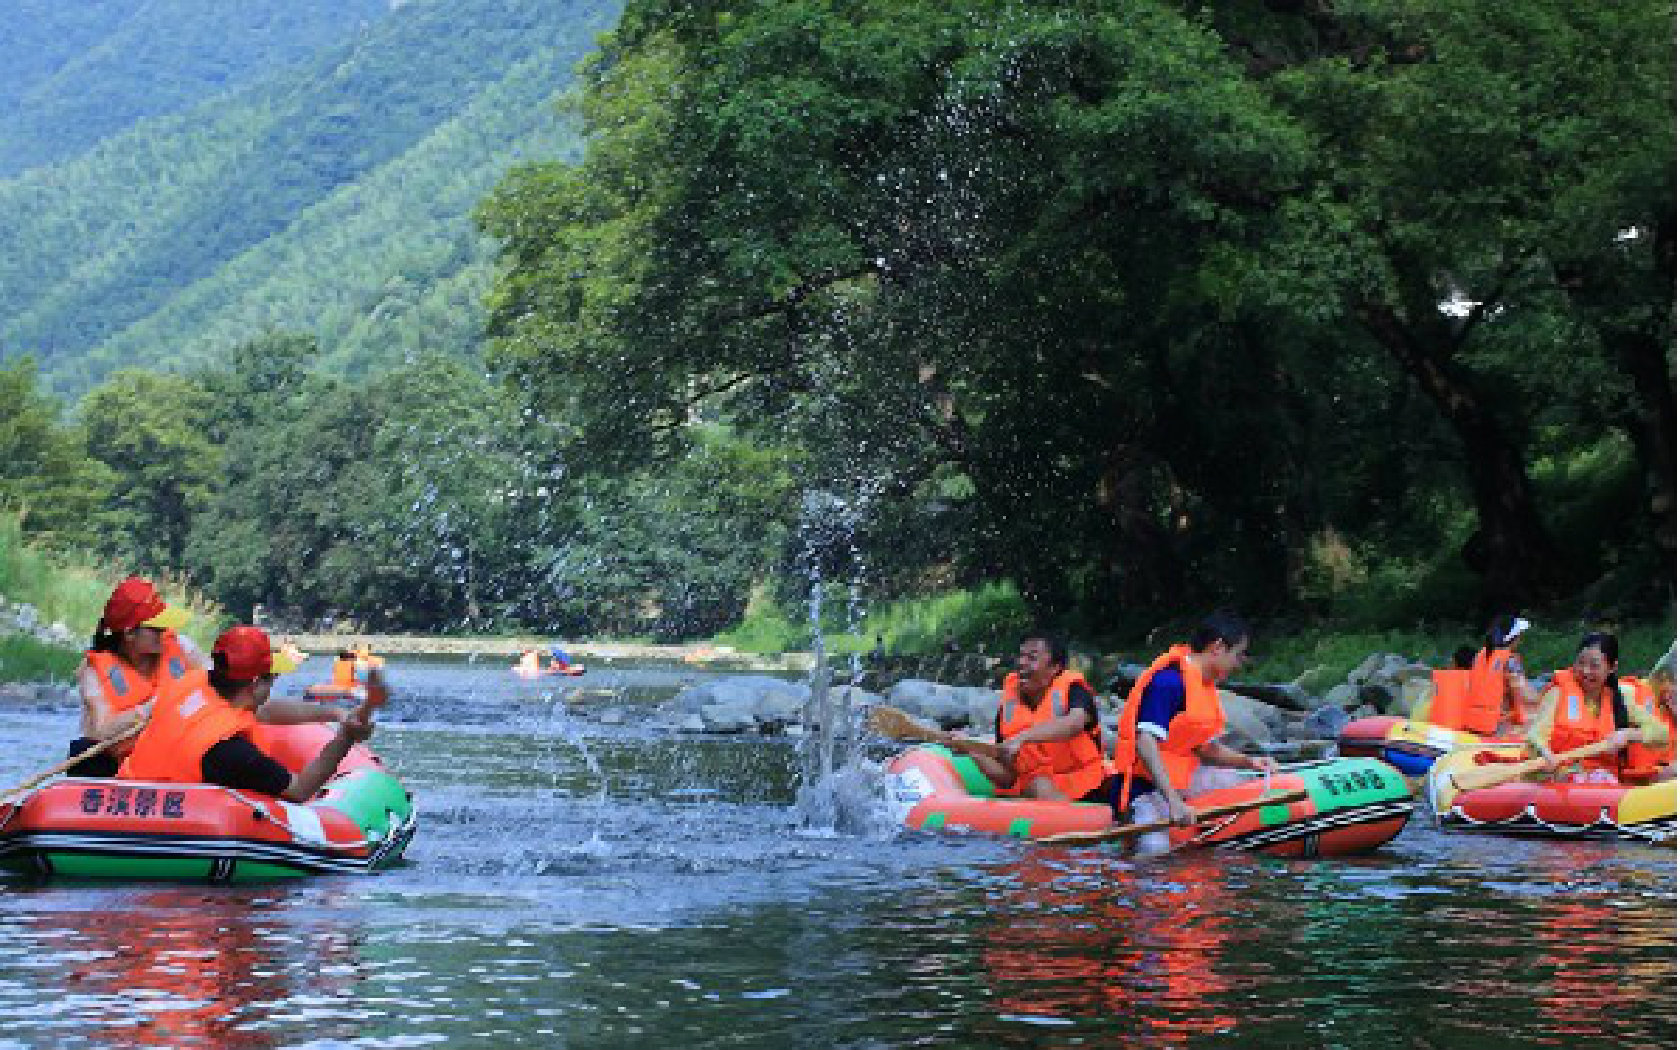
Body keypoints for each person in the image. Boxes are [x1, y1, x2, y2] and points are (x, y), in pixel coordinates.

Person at [117, 625, 380, 802]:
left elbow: (263, 711)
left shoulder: (190, 684)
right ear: (255, 684)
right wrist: (345, 738)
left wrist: (335, 713)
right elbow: (300, 790)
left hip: (128, 799)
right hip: (180, 822)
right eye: (270, 680)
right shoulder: (234, 752)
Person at [1110, 610, 1279, 840]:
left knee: (1231, 780)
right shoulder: (1168, 682)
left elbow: (1206, 748)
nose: (1239, 664)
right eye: (1238, 655)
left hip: (1180, 780)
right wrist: (1173, 800)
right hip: (1143, 790)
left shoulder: (1202, 684)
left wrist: (1249, 761)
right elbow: (1145, 741)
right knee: (1154, 851)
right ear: (1218, 647)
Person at [66, 577, 207, 777]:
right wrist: (154, 707)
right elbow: (103, 731)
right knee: (83, 750)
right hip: (121, 761)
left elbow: (218, 685)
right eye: (156, 629)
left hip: (176, 754)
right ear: (130, 634)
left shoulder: (183, 647)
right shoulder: (93, 672)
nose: (164, 633)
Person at [966, 632, 1112, 802]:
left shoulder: (1075, 690)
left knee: (1040, 786)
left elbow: (1075, 723)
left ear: (1055, 668)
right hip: (1033, 789)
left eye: (1032, 658)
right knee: (1037, 786)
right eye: (1021, 656)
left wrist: (1023, 737)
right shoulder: (1007, 709)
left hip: (1085, 788)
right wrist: (973, 752)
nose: (1021, 663)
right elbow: (1008, 778)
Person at [1524, 632, 1669, 783]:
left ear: (1612, 667)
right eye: (1580, 663)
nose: (1586, 671)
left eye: (1594, 665)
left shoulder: (1620, 699)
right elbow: (1535, 736)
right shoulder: (1558, 693)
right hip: (1560, 777)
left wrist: (1630, 734)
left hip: (1603, 782)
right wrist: (1544, 753)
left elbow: (1662, 735)